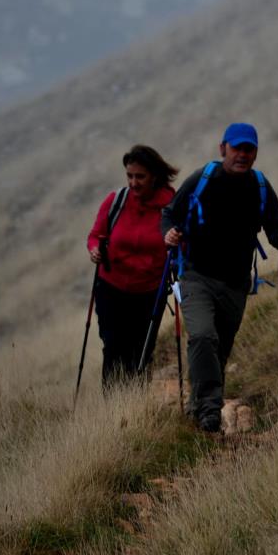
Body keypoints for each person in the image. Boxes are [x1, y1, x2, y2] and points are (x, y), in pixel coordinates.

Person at [161, 122, 278, 432]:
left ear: (255, 153)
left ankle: (197, 408)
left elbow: (276, 233)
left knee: (218, 350)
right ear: (223, 148)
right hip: (195, 276)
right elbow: (169, 213)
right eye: (237, 148)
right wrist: (168, 234)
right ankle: (210, 413)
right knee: (202, 336)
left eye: (248, 149)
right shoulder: (203, 179)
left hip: (236, 284)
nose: (242, 154)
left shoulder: (260, 186)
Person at [87, 145, 178, 386]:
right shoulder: (116, 201)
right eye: (129, 176)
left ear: (154, 176)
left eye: (140, 177)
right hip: (110, 288)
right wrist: (94, 249)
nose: (133, 183)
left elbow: (183, 243)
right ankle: (113, 404)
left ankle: (137, 401)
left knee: (141, 351)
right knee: (113, 346)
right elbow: (95, 235)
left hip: (150, 293)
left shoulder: (171, 206)